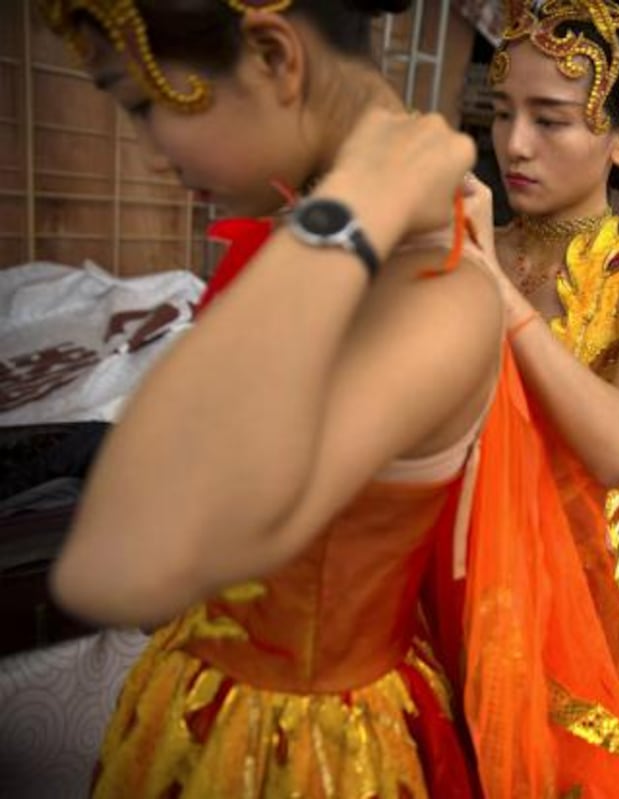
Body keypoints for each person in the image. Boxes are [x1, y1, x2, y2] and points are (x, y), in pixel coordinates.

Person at [37, 1, 558, 795]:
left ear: (276, 57)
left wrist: (351, 210)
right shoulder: (314, 240)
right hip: (201, 698)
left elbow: (116, 567)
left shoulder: (435, 292)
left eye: (143, 105)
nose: (148, 154)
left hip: (294, 751)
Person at [427, 1, 619, 795]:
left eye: (551, 121)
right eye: (503, 113)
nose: (513, 145)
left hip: (581, 621)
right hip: (448, 589)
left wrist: (491, 288)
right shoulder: (468, 244)